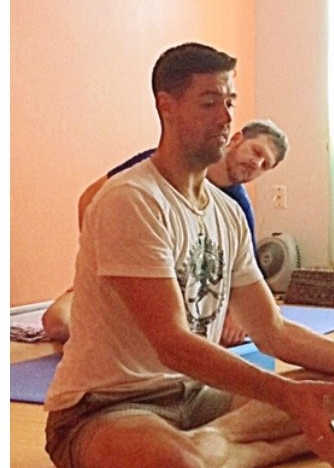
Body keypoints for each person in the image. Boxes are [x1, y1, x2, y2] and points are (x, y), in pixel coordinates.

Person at [40, 43, 334, 468]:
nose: (225, 117)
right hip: (107, 408)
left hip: (194, 396)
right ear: (166, 106)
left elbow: (274, 331)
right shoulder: (133, 199)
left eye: (229, 102)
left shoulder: (228, 214)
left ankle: (216, 444)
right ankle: (255, 452)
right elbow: (171, 342)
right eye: (209, 103)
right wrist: (287, 398)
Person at [41, 120, 289, 349]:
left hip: (186, 293)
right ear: (236, 139)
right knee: (57, 322)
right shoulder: (159, 165)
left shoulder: (237, 208)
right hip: (127, 276)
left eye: (265, 166)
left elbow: (249, 277)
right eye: (257, 152)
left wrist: (236, 316)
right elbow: (89, 198)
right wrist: (101, 256)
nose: (257, 164)